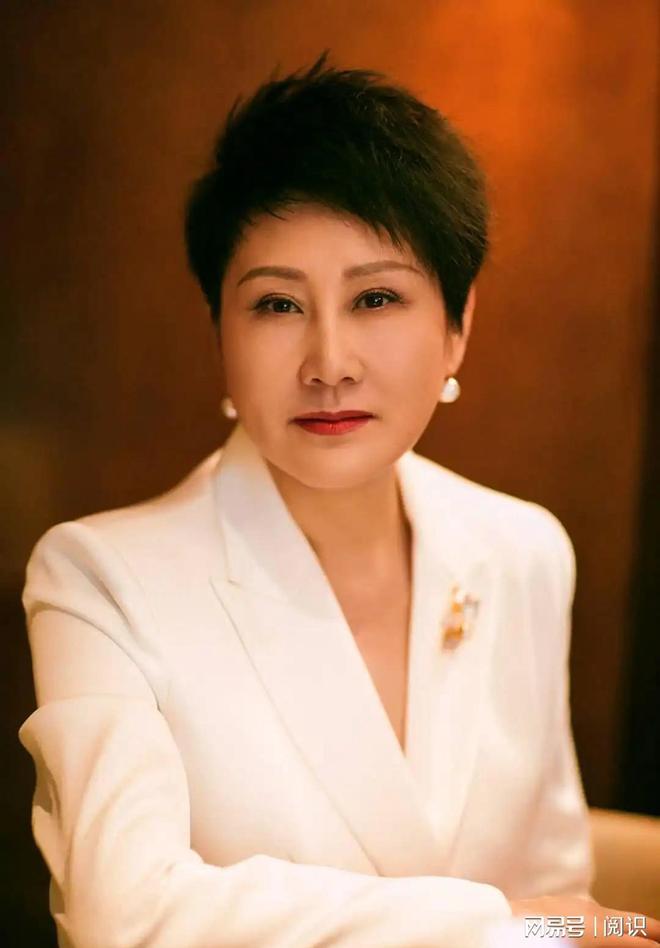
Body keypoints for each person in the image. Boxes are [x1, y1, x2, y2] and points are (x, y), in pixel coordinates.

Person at [18, 52, 660, 948]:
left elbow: (558, 898)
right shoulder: (100, 579)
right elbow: (124, 916)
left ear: (458, 325)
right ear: (219, 332)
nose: (329, 362)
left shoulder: (523, 550)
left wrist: (548, 926)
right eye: (277, 306)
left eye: (377, 297)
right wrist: (494, 925)